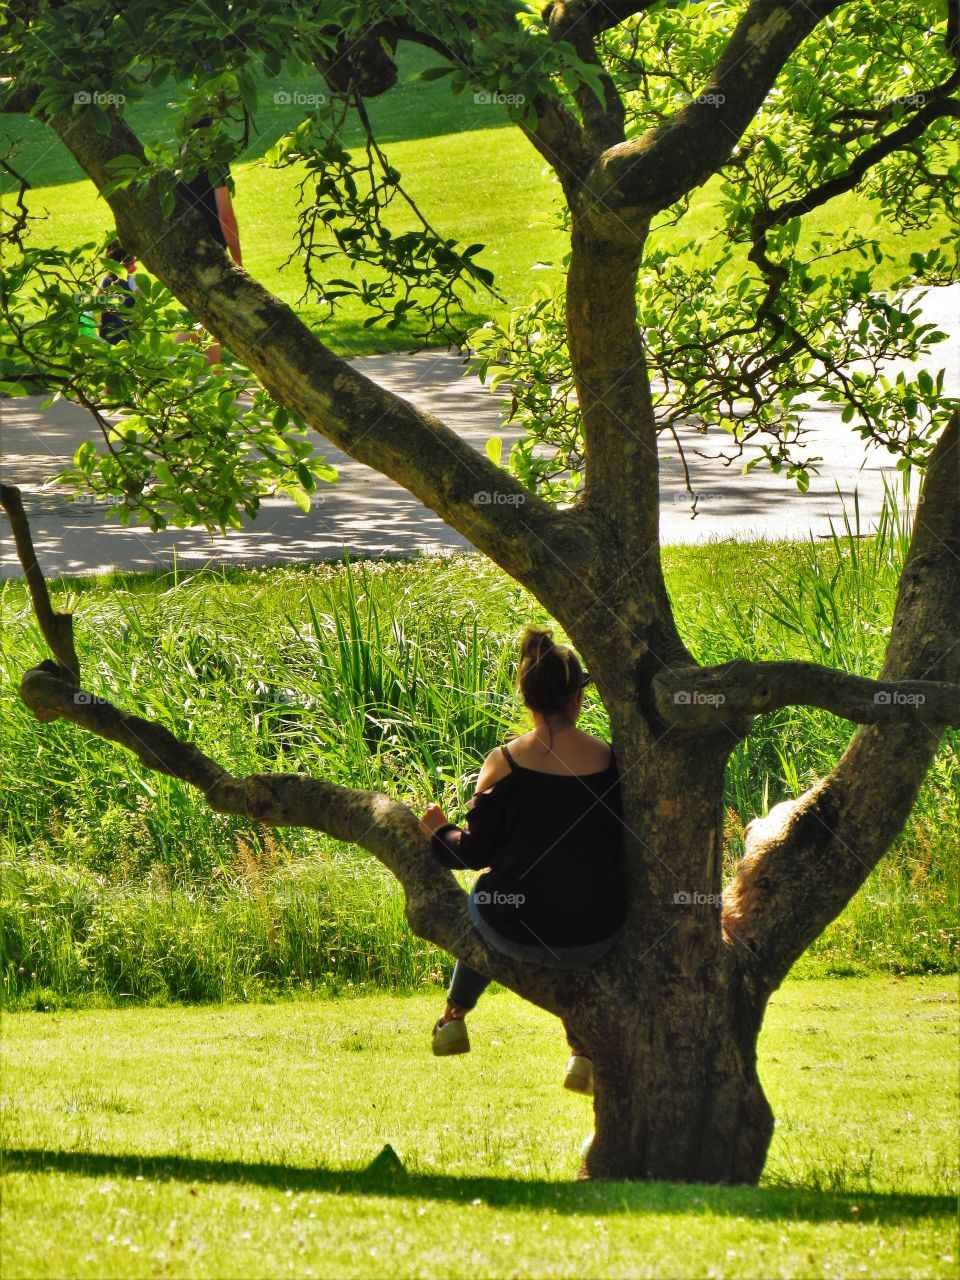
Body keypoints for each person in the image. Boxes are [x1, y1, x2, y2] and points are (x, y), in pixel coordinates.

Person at [420, 628, 625, 1096]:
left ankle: (454, 1016)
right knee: (573, 900)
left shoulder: (505, 762)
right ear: (577, 699)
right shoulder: (612, 762)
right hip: (596, 930)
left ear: (528, 699)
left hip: (516, 923)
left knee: (488, 893)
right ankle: (583, 1052)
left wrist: (437, 828)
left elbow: (473, 854)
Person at [173, 116, 242, 365]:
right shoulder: (215, 164)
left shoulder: (180, 163)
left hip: (185, 247)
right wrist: (237, 260)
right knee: (212, 311)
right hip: (211, 249)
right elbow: (226, 214)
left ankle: (214, 374)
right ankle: (168, 366)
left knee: (210, 312)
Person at [96, 240, 138, 345]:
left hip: (107, 334)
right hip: (128, 334)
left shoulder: (105, 281)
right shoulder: (131, 281)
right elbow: (142, 299)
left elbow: (95, 306)